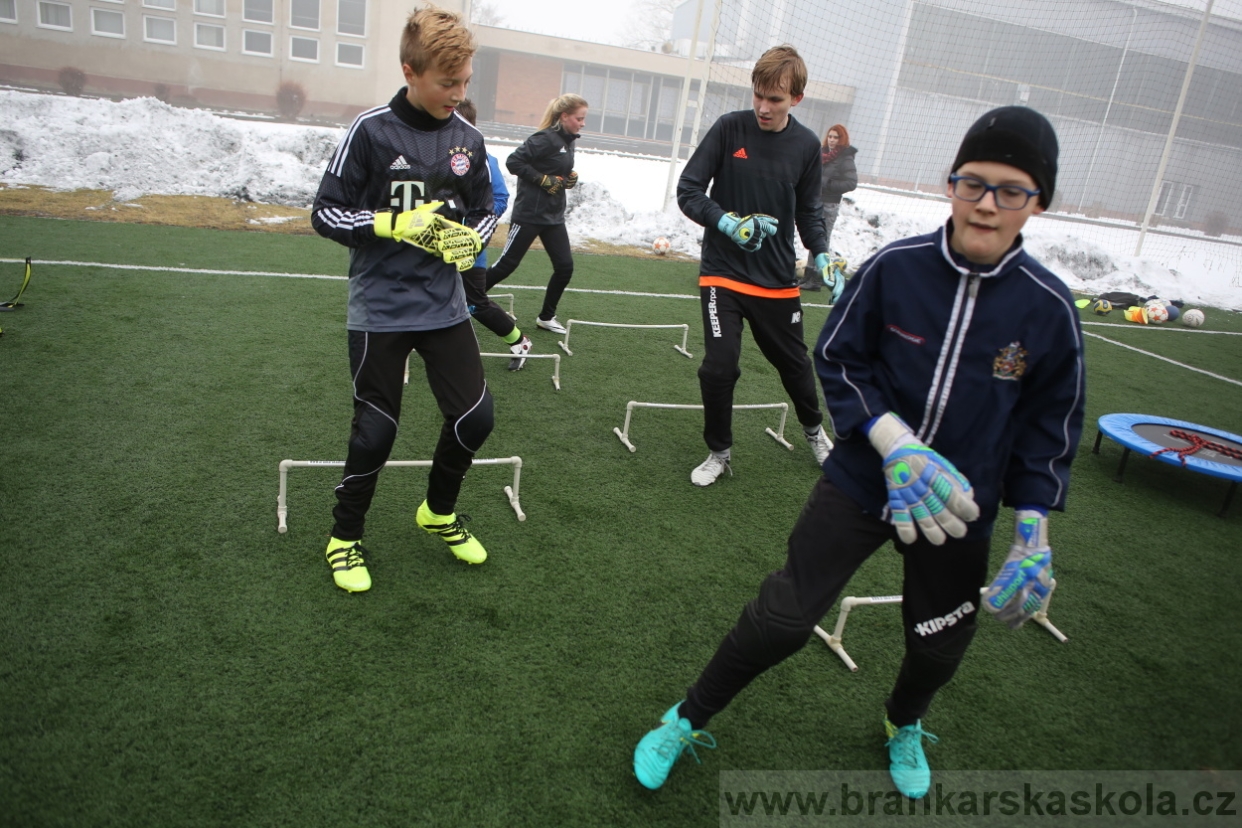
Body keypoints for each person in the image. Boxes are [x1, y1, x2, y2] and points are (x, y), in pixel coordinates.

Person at [633, 105, 1085, 800]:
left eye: (1011, 190)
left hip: (958, 504)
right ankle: (686, 717)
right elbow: (838, 359)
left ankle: (903, 723)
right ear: (951, 185)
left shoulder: (1049, 309)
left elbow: (1048, 431)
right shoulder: (895, 270)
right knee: (782, 619)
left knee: (937, 643)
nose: (987, 204)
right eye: (973, 183)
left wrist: (1034, 531)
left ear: (1039, 202)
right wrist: (894, 442)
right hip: (864, 479)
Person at [310, 6, 502, 593]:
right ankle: (345, 538)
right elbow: (324, 212)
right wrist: (392, 224)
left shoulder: (467, 138)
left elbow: (486, 208)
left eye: (466, 81)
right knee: (376, 431)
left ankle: (437, 512)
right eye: (448, 83)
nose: (459, 93)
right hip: (381, 309)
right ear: (410, 71)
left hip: (442, 305)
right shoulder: (370, 131)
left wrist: (472, 238)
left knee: (476, 418)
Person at [675, 45, 836, 487]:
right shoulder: (730, 129)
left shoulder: (805, 145)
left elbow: (808, 211)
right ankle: (719, 452)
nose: (764, 107)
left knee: (795, 367)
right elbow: (689, 190)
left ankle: (815, 433)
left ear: (796, 99)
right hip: (723, 274)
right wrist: (726, 222)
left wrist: (820, 252)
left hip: (777, 280)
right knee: (718, 366)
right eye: (759, 95)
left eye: (776, 99)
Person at [485, 93, 588, 336]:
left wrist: (569, 176)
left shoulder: (569, 139)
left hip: (553, 217)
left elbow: (556, 167)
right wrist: (542, 180)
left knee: (565, 268)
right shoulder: (545, 139)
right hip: (529, 215)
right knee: (506, 266)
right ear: (564, 116)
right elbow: (514, 162)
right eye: (579, 118)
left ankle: (546, 317)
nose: (582, 123)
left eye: (584, 119)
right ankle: (466, 298)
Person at [455, 98, 531, 370]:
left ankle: (519, 341)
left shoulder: (485, 160)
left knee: (475, 303)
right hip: (435, 244)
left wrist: (470, 225)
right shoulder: (434, 156)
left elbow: (499, 198)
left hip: (469, 244)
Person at [798, 123, 857, 291]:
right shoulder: (821, 153)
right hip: (815, 200)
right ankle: (809, 275)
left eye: (835, 137)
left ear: (841, 139)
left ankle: (817, 278)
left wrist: (827, 183)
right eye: (830, 136)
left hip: (830, 203)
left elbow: (851, 183)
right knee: (813, 236)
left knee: (822, 239)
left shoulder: (845, 158)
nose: (831, 140)